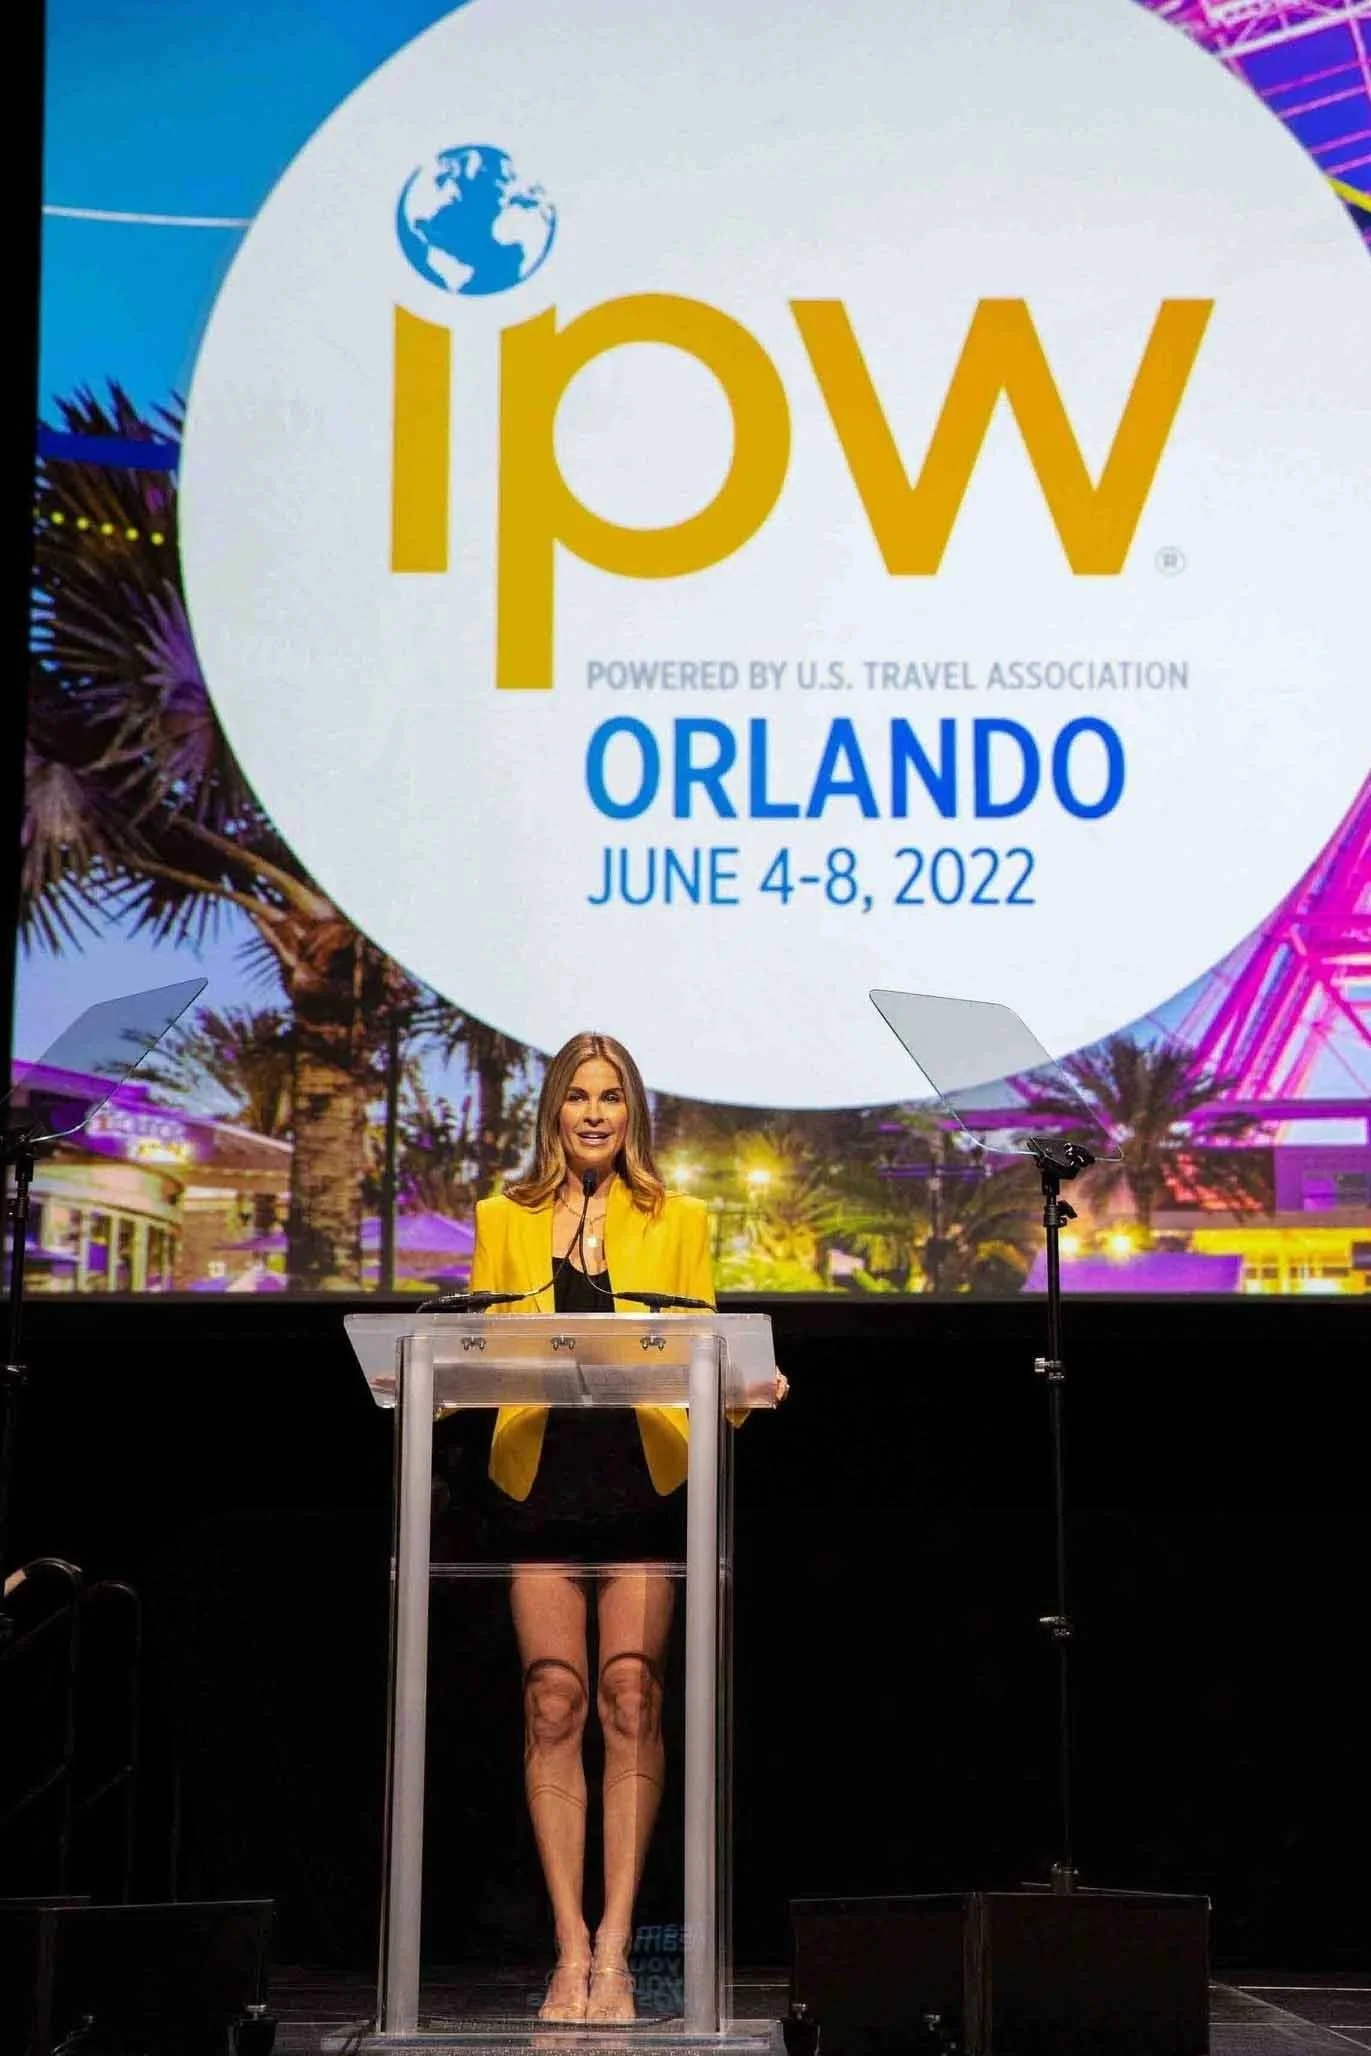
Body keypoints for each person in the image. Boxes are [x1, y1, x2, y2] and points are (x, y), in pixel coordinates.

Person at [469, 1031, 787, 2024]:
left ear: (632, 1110)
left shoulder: (679, 1217)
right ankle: (568, 1952)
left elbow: (699, 1345)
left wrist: (747, 1389)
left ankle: (618, 1951)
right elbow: (472, 1343)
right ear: (553, 1111)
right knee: (552, 1706)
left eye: (610, 1096)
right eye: (577, 1096)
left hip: (645, 1480)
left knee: (630, 1701)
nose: (594, 1112)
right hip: (539, 1481)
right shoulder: (502, 1215)